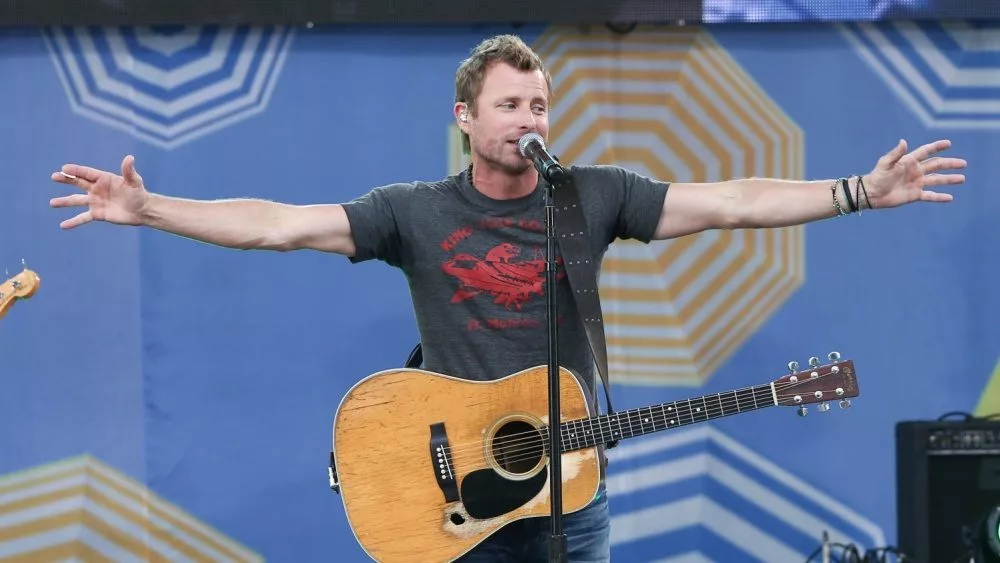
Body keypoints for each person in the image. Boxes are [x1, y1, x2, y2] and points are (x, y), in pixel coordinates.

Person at [48, 34, 965, 563]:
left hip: (571, 492)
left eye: (541, 106)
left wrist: (855, 191)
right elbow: (276, 225)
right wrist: (147, 207)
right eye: (512, 105)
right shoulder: (411, 212)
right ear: (466, 120)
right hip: (449, 493)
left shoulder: (591, 196)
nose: (531, 120)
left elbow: (732, 202)